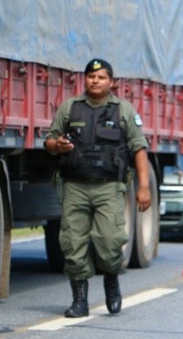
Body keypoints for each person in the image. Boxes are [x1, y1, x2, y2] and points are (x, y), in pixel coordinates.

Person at [44, 58, 152, 318]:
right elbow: (49, 140)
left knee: (110, 241)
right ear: (85, 80)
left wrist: (144, 186)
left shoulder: (123, 110)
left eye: (101, 77)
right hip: (74, 186)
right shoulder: (70, 108)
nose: (96, 81)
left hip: (109, 188)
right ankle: (79, 301)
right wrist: (57, 145)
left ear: (111, 82)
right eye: (91, 77)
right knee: (72, 243)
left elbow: (138, 148)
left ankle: (111, 279)